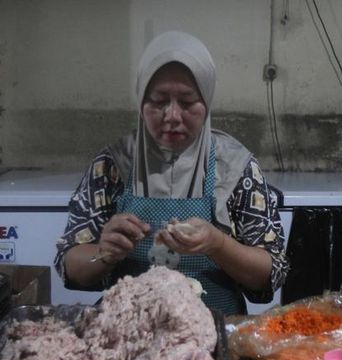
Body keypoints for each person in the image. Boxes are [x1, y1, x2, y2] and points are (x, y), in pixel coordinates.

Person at [55, 31, 289, 315]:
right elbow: (71, 267)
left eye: (188, 102)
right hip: (129, 332)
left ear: (207, 101)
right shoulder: (113, 164)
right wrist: (104, 253)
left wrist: (218, 244)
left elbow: (270, 273)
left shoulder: (235, 167)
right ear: (141, 101)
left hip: (216, 333)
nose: (172, 116)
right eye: (158, 100)